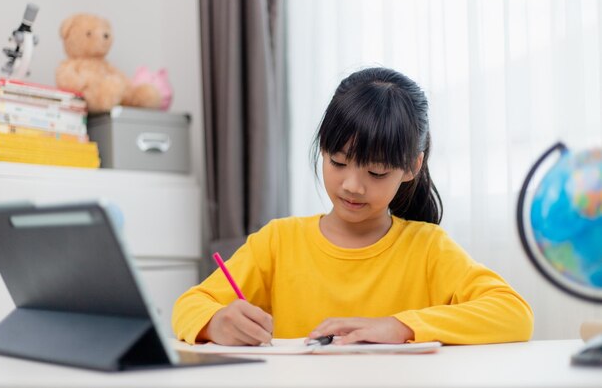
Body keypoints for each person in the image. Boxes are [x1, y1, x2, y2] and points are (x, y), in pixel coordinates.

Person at [172, 67, 534, 346]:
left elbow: (514, 313)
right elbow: (189, 305)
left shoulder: (427, 248)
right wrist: (215, 322)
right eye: (338, 162)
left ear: (412, 167)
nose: (352, 185)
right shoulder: (278, 242)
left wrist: (401, 327)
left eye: (376, 171)